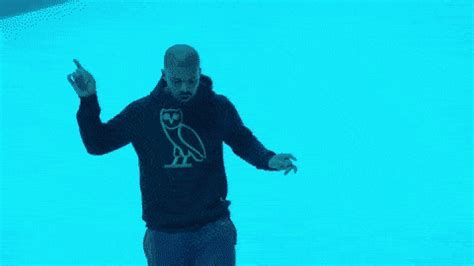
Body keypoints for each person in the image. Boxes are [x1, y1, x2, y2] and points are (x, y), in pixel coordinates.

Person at [67, 44, 298, 265]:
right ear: (164, 75)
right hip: (165, 234)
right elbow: (98, 143)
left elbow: (241, 139)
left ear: (199, 73)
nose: (185, 88)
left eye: (191, 80)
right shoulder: (142, 113)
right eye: (177, 81)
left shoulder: (217, 107)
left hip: (213, 229)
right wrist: (88, 100)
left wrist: (267, 159)